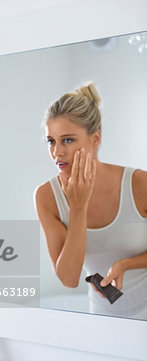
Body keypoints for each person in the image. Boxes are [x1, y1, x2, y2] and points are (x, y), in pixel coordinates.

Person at [35, 82, 147, 319]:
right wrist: (78, 206)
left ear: (95, 138)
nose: (57, 152)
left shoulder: (139, 184)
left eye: (67, 140)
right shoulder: (47, 196)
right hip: (102, 317)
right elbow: (68, 278)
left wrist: (125, 264)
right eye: (51, 141)